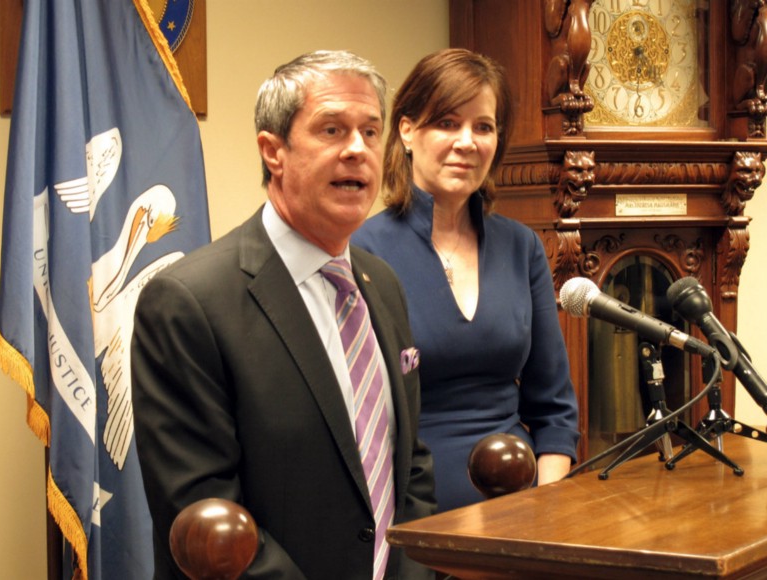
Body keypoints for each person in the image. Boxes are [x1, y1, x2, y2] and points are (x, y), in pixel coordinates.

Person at [131, 50, 436, 579]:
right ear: (273, 151)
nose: (358, 151)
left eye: (370, 131)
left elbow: (409, 465)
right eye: (332, 130)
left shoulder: (381, 284)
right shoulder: (186, 302)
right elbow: (203, 511)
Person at [352, 48, 579, 512]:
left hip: (521, 513)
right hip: (410, 520)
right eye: (447, 123)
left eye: (483, 127)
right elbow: (356, 428)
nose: (467, 141)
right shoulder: (361, 254)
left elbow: (554, 409)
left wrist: (547, 510)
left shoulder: (523, 247)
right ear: (408, 130)